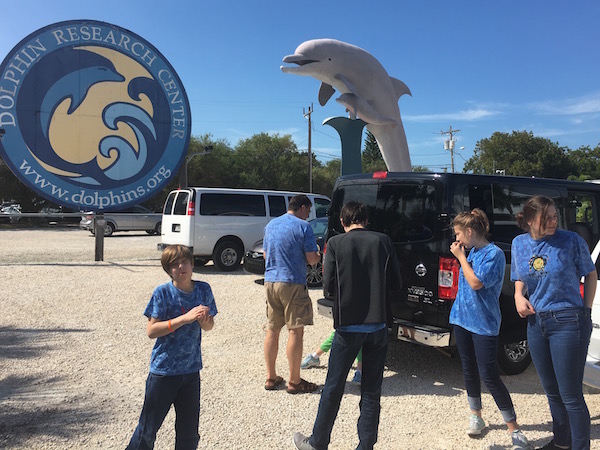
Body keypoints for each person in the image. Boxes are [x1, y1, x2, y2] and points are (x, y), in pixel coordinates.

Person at [293, 201, 402, 450]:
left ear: (343, 222)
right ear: (366, 220)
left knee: (333, 387)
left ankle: (317, 442)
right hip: (378, 326)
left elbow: (328, 286)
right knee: (371, 392)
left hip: (348, 325)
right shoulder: (383, 241)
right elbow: (396, 282)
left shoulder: (335, 243)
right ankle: (365, 446)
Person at [511, 195, 596, 450]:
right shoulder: (519, 243)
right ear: (528, 220)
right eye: (545, 217)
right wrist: (518, 295)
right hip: (537, 322)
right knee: (551, 390)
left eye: (555, 215)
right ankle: (562, 442)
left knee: (570, 394)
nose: (553, 221)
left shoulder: (570, 240)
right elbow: (519, 276)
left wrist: (586, 311)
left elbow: (590, 274)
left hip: (569, 321)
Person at [449, 209, 532, 449]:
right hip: (462, 318)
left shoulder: (492, 254)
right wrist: (463, 257)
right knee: (468, 369)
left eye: (458, 233)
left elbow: (475, 283)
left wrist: (461, 259)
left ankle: (514, 428)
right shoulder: (471, 251)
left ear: (470, 231)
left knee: (490, 375)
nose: (456, 239)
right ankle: (476, 415)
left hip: (484, 323)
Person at [126, 245, 217, 450]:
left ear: (192, 264)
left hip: (191, 371)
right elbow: (151, 331)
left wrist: (203, 321)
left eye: (184, 261)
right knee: (147, 431)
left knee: (189, 434)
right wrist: (184, 319)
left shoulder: (203, 289)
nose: (181, 267)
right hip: (164, 372)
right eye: (174, 264)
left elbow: (209, 326)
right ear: (168, 270)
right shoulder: (163, 293)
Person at [263, 194, 321, 394]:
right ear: (303, 208)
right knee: (295, 331)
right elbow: (312, 259)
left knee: (272, 330)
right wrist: (319, 254)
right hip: (293, 283)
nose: (309, 215)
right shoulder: (303, 227)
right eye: (309, 211)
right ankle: (294, 381)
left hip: (270, 281)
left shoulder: (271, 225)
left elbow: (265, 253)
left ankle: (271, 377)